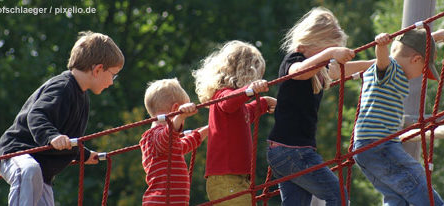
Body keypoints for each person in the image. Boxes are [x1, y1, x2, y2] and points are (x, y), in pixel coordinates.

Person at [0, 31, 124, 206]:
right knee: (29, 171)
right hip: (18, 152)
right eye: (113, 74)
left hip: (42, 172)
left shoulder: (82, 97)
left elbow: (68, 138)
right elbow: (37, 115)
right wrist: (52, 136)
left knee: (38, 182)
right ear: (98, 69)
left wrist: (83, 155)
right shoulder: (62, 88)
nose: (112, 82)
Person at [266, 7, 373, 206]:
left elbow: (341, 70)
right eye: (326, 51)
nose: (329, 59)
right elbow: (298, 72)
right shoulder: (295, 60)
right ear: (312, 42)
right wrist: (330, 52)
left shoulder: (319, 68)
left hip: (286, 152)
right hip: (293, 152)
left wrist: (376, 63)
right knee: (339, 197)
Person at [352, 28, 444, 206]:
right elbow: (383, 61)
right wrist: (380, 45)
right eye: (423, 69)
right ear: (416, 60)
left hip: (366, 148)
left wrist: (434, 37)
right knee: (414, 176)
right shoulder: (391, 70)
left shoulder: (387, 70)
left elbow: (409, 45)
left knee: (396, 196)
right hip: (380, 144)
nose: (422, 74)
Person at [192, 40, 277, 205]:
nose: (258, 79)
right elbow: (228, 103)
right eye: (256, 76)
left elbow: (247, 114)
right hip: (225, 178)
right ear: (245, 73)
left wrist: (264, 103)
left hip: (238, 178)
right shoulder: (222, 95)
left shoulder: (239, 108)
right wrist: (250, 90)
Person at [140, 78, 209, 206]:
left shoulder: (168, 143)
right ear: (175, 108)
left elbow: (185, 143)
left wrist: (210, 128)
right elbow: (166, 136)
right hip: (161, 202)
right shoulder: (153, 137)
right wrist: (180, 116)